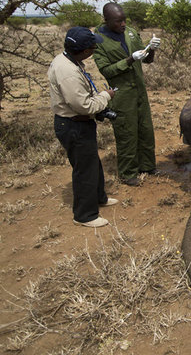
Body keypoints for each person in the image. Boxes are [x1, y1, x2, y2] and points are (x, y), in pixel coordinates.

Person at [49, 26, 119, 228]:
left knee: (91, 163)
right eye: (92, 47)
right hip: (73, 124)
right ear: (84, 50)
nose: (94, 50)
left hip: (79, 124)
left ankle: (99, 198)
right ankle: (85, 215)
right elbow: (83, 106)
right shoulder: (68, 71)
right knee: (84, 169)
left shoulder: (69, 60)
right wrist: (106, 96)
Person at [93, 2, 161, 186]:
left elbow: (147, 60)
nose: (122, 24)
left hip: (139, 90)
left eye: (124, 20)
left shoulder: (130, 33)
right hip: (121, 94)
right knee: (127, 132)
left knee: (145, 129)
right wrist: (130, 59)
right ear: (106, 20)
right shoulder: (98, 40)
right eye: (118, 21)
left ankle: (147, 165)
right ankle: (128, 172)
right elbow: (106, 70)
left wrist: (151, 49)